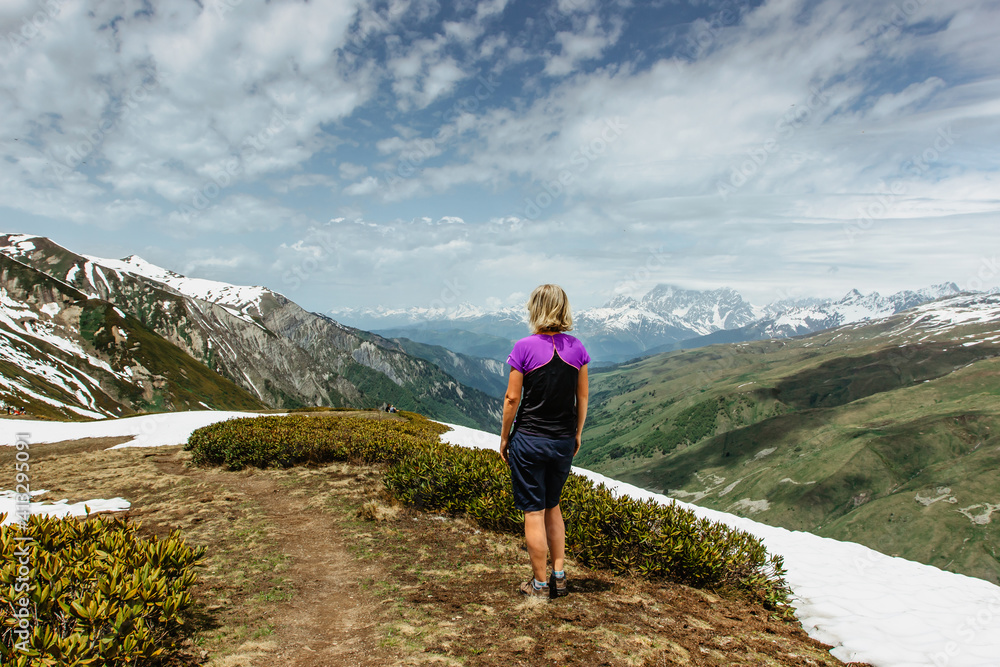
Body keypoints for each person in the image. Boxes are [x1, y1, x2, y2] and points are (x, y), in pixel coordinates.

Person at [500, 284, 589, 599]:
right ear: (564, 309)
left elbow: (512, 399)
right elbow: (582, 397)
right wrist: (576, 434)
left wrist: (504, 439)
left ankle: (539, 585)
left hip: (529, 440)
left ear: (535, 309)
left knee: (534, 512)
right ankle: (559, 576)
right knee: (554, 506)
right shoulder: (577, 348)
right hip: (563, 440)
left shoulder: (524, 347)